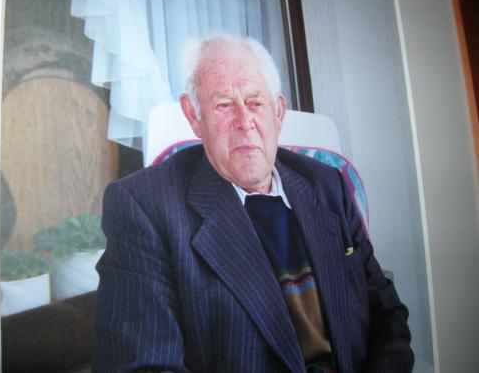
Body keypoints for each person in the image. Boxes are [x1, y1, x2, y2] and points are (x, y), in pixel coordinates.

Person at [93, 35, 414, 373]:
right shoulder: (144, 208)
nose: (244, 121)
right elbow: (140, 364)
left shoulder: (327, 185)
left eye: (255, 102)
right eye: (223, 105)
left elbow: (388, 316)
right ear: (193, 116)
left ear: (278, 112)